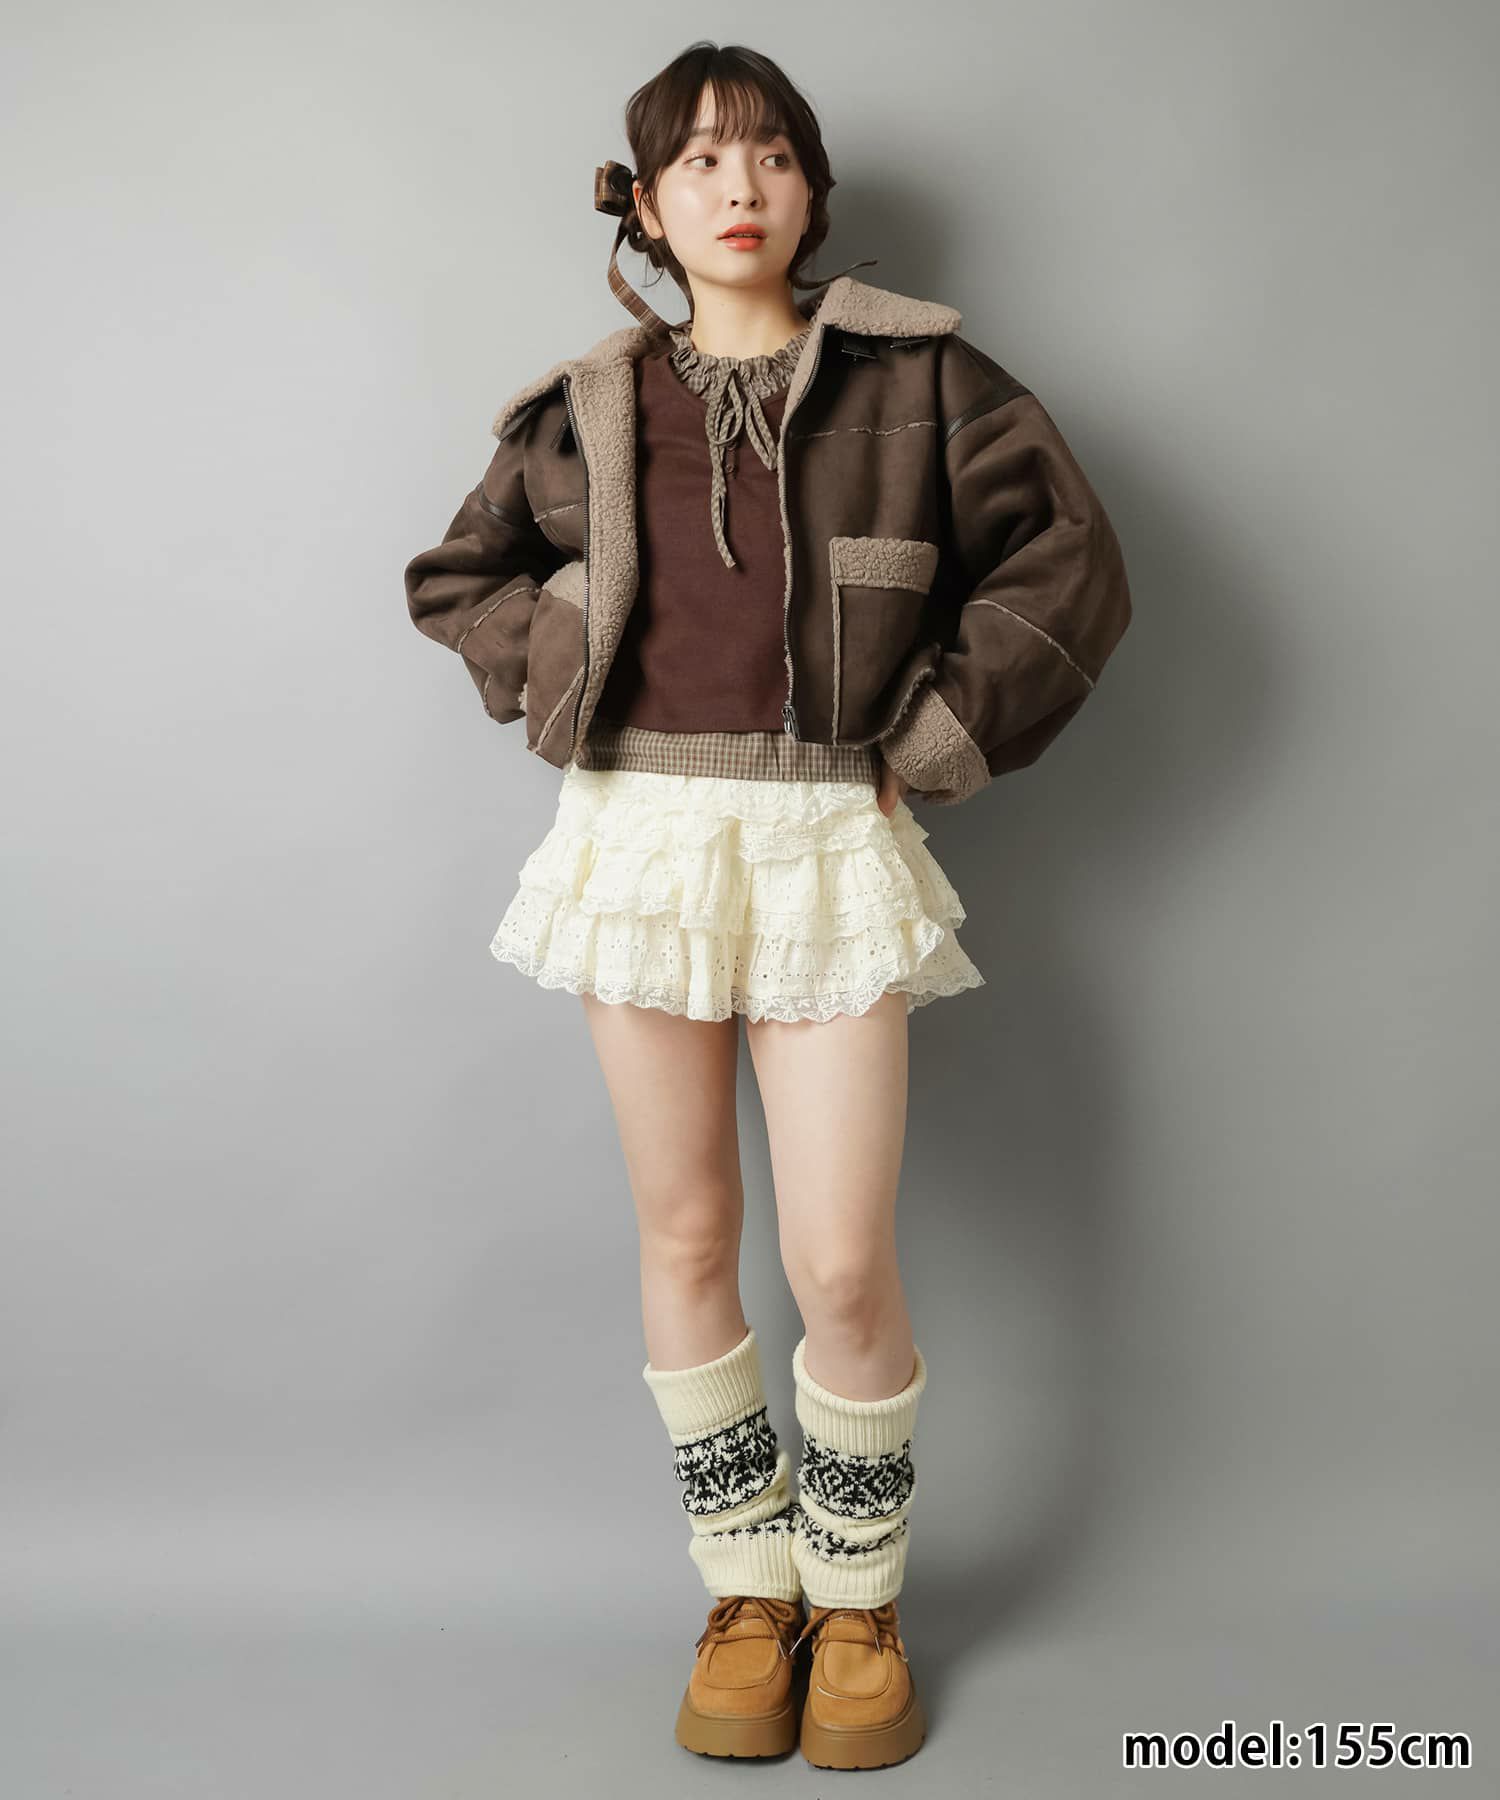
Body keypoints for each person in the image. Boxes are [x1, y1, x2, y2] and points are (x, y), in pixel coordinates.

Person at [403, 40, 1132, 1771]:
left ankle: (856, 1599)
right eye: (701, 163)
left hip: (821, 842)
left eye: (772, 155)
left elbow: (1071, 564)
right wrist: (563, 658)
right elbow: (459, 579)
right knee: (685, 1236)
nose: (740, 187)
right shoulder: (585, 404)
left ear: (811, 188)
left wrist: (933, 738)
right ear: (647, 209)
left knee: (839, 1257)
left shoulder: (923, 377)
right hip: (642, 840)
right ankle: (748, 1591)